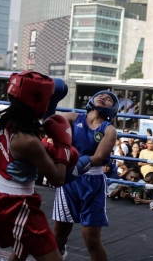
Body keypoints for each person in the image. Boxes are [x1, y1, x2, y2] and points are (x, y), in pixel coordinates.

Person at [0, 71, 76, 261]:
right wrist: (63, 146)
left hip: (3, 197)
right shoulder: (28, 141)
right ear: (38, 100)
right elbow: (58, 179)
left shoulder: (8, 121)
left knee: (20, 252)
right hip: (17, 205)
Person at [53, 90, 118, 261]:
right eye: (101, 95)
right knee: (58, 234)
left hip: (92, 181)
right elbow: (51, 126)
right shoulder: (73, 118)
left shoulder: (109, 130)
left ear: (113, 108)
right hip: (69, 181)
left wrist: (73, 169)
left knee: (91, 239)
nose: (104, 97)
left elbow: (97, 157)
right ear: (91, 100)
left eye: (109, 99)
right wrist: (50, 105)